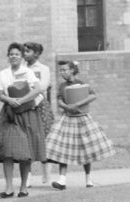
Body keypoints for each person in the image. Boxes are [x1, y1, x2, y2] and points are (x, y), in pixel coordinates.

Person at [47, 60, 115, 190]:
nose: (62, 72)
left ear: (72, 70)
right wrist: (66, 106)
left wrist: (77, 105)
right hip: (68, 119)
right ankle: (62, 180)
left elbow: (93, 95)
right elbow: (60, 99)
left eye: (64, 70)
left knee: (86, 149)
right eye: (61, 70)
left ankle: (88, 179)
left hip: (82, 119)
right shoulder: (62, 86)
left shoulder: (82, 84)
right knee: (63, 148)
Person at [0, 42, 46, 198]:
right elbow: (1, 94)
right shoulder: (3, 73)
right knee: (7, 151)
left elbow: (37, 90)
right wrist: (10, 100)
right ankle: (9, 187)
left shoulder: (28, 72)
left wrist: (21, 100)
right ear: (8, 57)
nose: (13, 56)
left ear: (22, 57)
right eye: (11, 54)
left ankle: (23, 187)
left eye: (16, 54)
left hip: (27, 114)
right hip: (10, 114)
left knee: (25, 151)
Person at [23, 42, 55, 186]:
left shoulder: (43, 69)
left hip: (40, 105)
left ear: (36, 53)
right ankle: (27, 176)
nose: (25, 54)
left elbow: (42, 86)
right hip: (25, 106)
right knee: (27, 140)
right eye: (24, 51)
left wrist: (27, 89)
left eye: (28, 51)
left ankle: (46, 174)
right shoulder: (21, 68)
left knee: (44, 137)